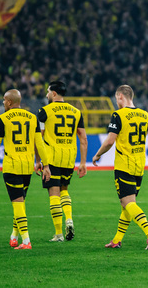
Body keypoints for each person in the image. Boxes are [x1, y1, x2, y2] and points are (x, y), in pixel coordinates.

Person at [92, 85, 148, 250]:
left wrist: (98, 154)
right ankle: (117, 240)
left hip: (124, 164)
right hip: (139, 164)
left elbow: (109, 141)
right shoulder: (145, 115)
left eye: (116, 98)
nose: (116, 101)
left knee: (127, 202)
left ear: (120, 96)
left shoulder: (118, 115)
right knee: (128, 204)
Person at [0, 89, 51, 250]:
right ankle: (14, 235)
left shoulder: (2, 118)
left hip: (11, 166)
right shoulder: (32, 117)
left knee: (17, 204)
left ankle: (26, 241)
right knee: (20, 203)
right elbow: (40, 143)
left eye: (4, 100)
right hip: (27, 167)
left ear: (9, 102)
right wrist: (46, 165)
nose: (3, 102)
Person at [36, 81, 88, 242]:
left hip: (51, 158)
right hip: (68, 157)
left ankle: (58, 233)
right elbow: (83, 138)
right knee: (64, 190)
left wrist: (38, 160)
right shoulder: (76, 112)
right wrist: (83, 163)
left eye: (48, 91)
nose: (46, 94)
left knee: (53, 194)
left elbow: (39, 137)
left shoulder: (44, 111)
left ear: (54, 93)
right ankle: (69, 219)